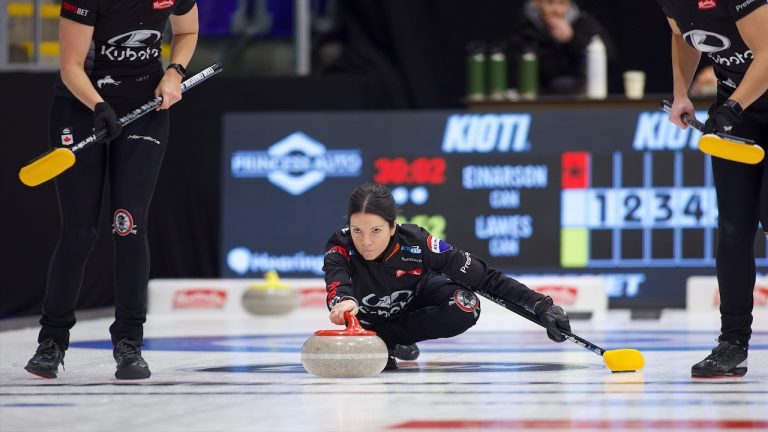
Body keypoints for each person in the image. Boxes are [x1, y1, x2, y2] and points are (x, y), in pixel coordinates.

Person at [24, 0, 199, 380]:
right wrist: (99, 106)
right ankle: (51, 342)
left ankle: (129, 344)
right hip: (80, 105)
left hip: (146, 108)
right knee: (79, 232)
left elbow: (187, 32)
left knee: (129, 224)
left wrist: (174, 71)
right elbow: (70, 66)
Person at [323, 183, 572, 369]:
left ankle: (388, 339)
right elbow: (337, 279)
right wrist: (343, 300)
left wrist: (539, 304)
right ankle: (381, 339)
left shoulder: (418, 243)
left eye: (375, 230)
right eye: (357, 230)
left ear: (392, 226)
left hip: (413, 302)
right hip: (365, 320)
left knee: (466, 305)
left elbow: (484, 278)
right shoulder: (340, 245)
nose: (366, 241)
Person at [658, 0, 768, 377]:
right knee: (734, 230)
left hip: (748, 100)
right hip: (739, 109)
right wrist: (681, 92)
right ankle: (732, 344)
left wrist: (732, 107)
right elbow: (682, 35)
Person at [507, 0, 615, 95]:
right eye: (549, 2)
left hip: (580, 96)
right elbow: (513, 69)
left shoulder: (584, 23)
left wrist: (572, 39)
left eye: (562, 3)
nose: (556, 10)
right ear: (536, 3)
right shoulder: (523, 27)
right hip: (538, 98)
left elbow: (609, 57)